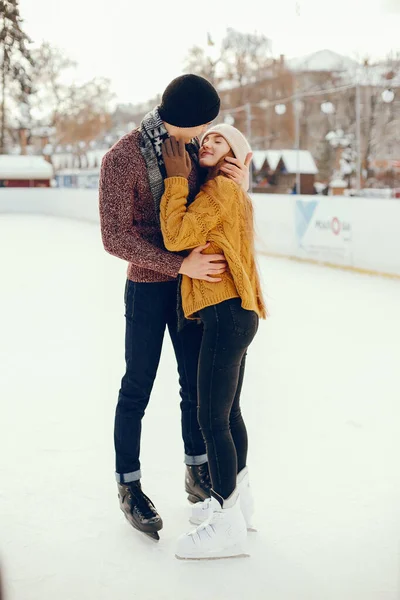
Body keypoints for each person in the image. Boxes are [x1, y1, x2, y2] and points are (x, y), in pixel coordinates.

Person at [99, 75, 251, 540]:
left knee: (195, 390)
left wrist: (241, 181)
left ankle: (196, 470)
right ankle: (129, 485)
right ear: (184, 119)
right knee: (136, 388)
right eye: (203, 123)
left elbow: (216, 209)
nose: (208, 131)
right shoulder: (121, 158)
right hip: (148, 289)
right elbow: (114, 237)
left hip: (195, 293)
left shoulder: (194, 152)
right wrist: (177, 263)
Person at [160, 124, 266, 559]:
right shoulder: (229, 189)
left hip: (224, 314)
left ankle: (225, 524)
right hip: (236, 314)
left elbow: (177, 237)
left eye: (219, 140)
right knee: (227, 413)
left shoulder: (219, 189)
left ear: (236, 153)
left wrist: (174, 180)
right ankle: (239, 503)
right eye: (206, 139)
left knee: (211, 419)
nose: (207, 143)